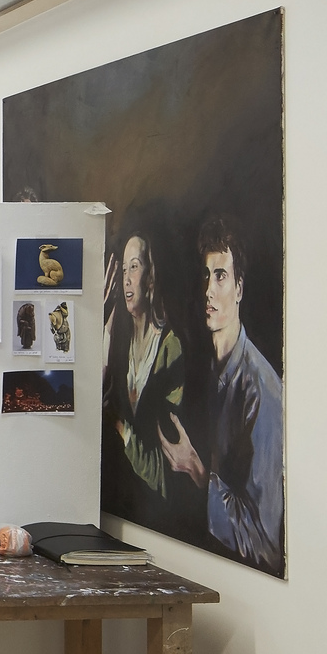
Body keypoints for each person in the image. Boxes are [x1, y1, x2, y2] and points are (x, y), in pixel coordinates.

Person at [160, 214, 284, 573]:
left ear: (239, 289)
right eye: (204, 275)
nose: (208, 290)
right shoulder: (202, 367)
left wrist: (198, 472)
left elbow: (265, 543)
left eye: (221, 276)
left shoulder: (263, 392)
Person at [101, 226, 186, 522]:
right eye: (123, 269)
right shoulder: (120, 339)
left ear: (150, 277)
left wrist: (117, 424)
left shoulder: (170, 348)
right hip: (121, 506)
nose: (125, 278)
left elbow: (165, 462)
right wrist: (104, 319)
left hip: (156, 511)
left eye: (134, 267)